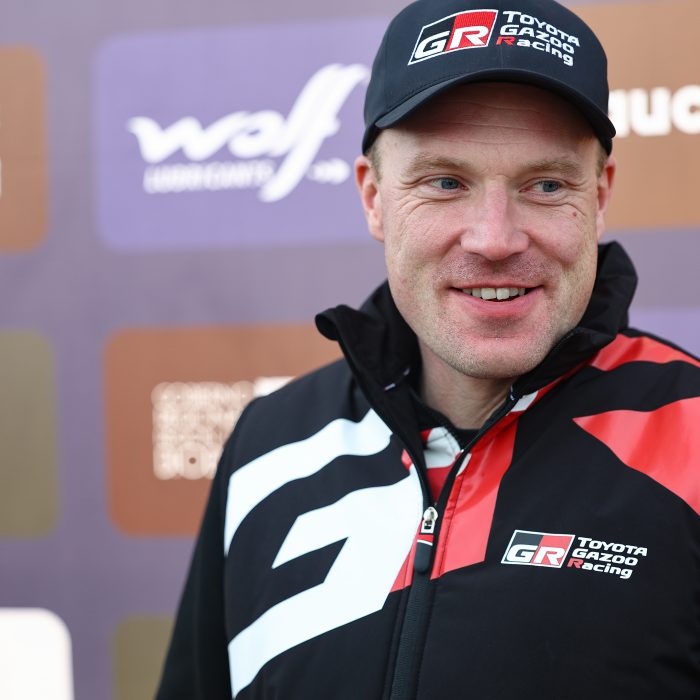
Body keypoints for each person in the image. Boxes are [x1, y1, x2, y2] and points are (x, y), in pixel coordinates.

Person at [156, 0, 700, 698]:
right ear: (374, 198)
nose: (495, 238)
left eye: (546, 185)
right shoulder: (270, 442)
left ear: (598, 197)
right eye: (445, 182)